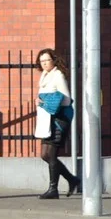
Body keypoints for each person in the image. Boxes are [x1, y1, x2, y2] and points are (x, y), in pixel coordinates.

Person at [33, 48, 80, 199]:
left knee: (51, 154)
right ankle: (72, 180)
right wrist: (39, 101)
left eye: (47, 60)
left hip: (59, 119)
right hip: (48, 120)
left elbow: (66, 99)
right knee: (44, 155)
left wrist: (46, 102)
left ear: (53, 60)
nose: (44, 63)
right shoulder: (45, 76)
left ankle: (53, 189)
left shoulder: (58, 76)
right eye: (42, 61)